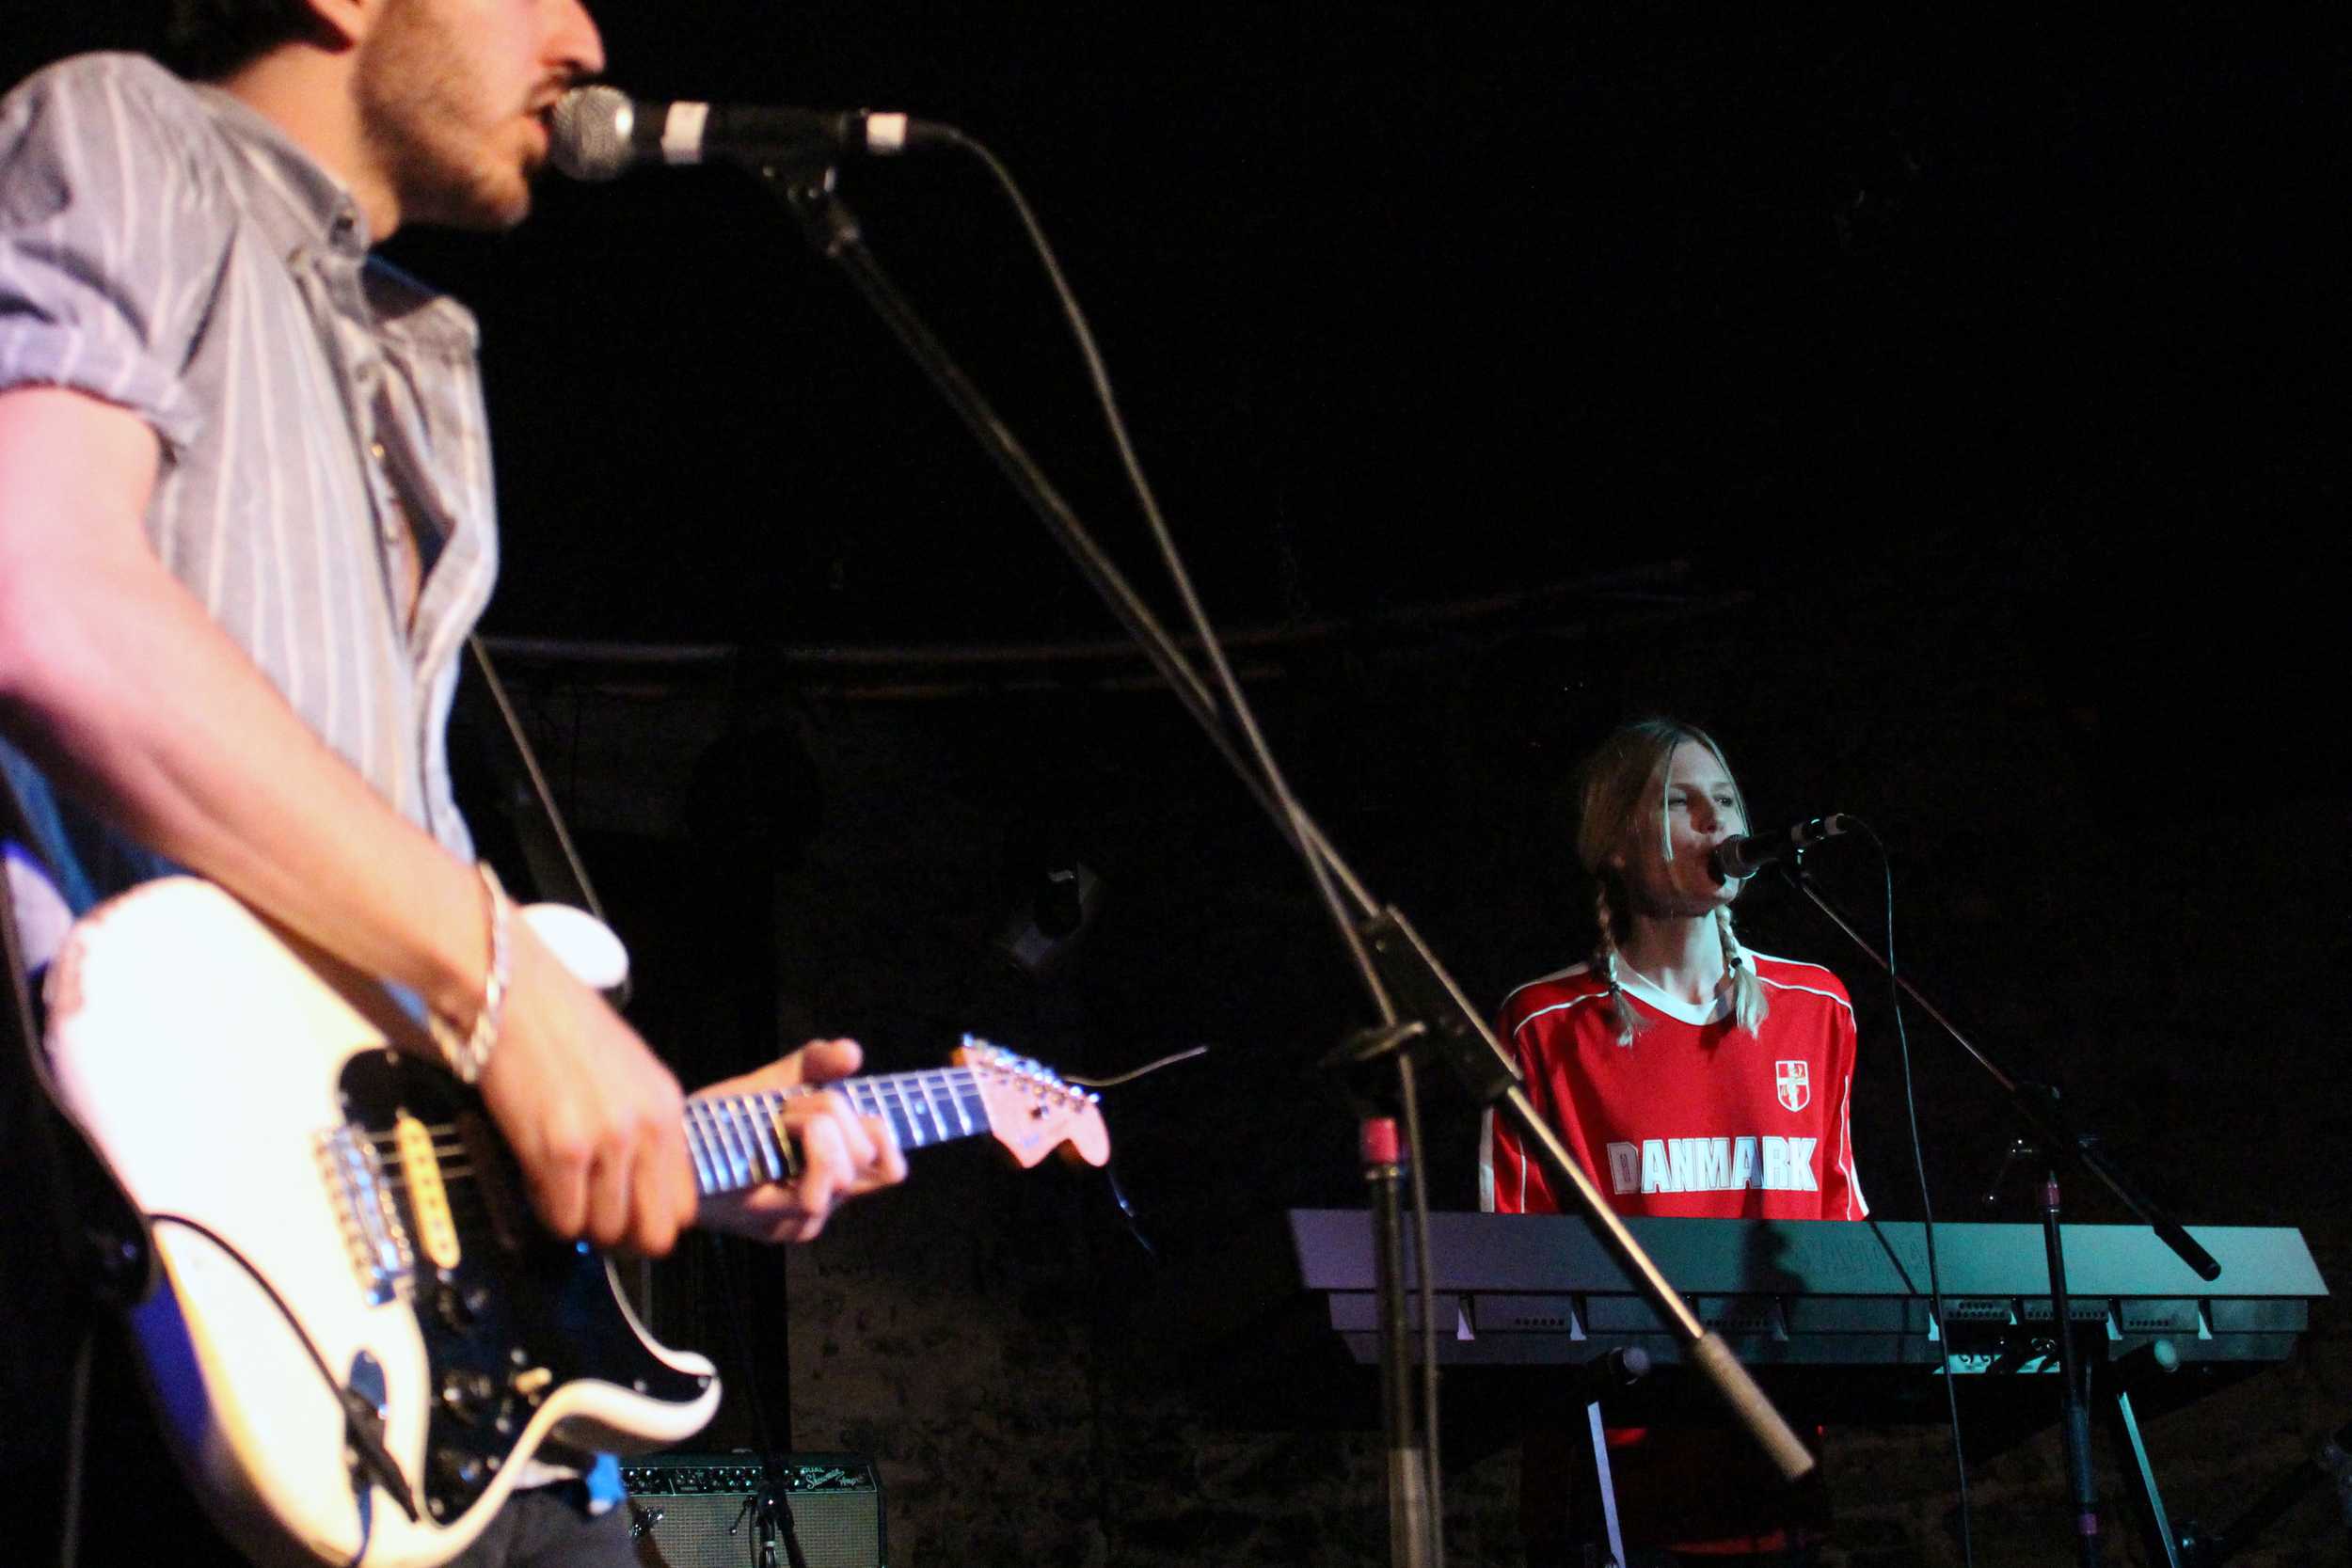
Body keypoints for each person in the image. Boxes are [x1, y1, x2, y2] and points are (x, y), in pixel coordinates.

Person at [0, 2, 906, 1564]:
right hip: (140, 1292)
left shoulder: (414, 349)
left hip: (383, 1361)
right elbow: (42, 592)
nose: (586, 30)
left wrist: (649, 1132)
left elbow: (361, 976)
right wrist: (514, 986)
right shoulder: (122, 128)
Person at [1479, 717, 1865, 1566]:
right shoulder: (1545, 1025)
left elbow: (1840, 1229)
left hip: (1778, 1477)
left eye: (1724, 800)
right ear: (1612, 841)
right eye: (1680, 803)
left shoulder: (1819, 1007)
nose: (1716, 823)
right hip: (1615, 1498)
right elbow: (1512, 1270)